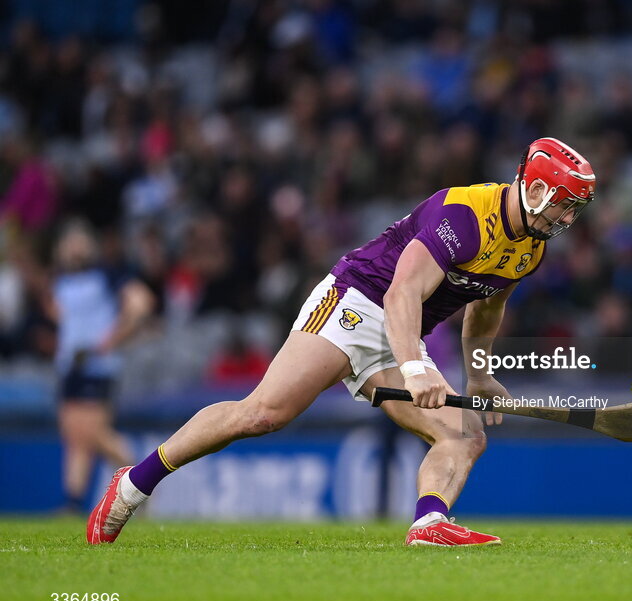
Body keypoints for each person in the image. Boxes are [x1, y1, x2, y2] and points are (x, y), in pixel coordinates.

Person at [87, 137, 596, 546]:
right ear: (538, 193)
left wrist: (479, 372)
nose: (568, 220)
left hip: (401, 330)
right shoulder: (463, 215)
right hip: (356, 303)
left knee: (465, 436)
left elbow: (487, 306)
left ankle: (429, 524)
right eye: (566, 206)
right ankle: (133, 484)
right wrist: (417, 369)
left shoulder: (530, 249)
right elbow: (401, 293)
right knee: (264, 413)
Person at [49, 221, 154, 513]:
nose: (74, 247)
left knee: (95, 433)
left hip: (97, 366)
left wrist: (112, 339)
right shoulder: (61, 280)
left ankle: (140, 484)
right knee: (75, 436)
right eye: (69, 241)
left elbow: (141, 303)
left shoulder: (107, 274)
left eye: (79, 240)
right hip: (71, 366)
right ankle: (72, 503)